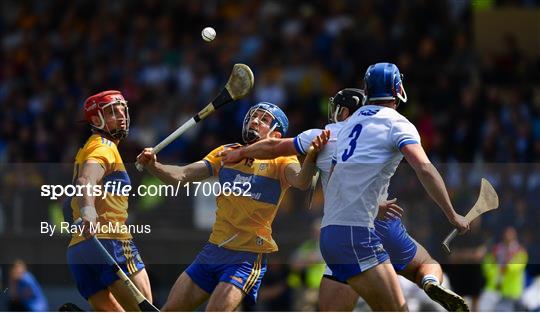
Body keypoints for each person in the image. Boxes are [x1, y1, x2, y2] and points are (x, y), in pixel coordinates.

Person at [220, 87, 470, 311]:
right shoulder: (386, 128)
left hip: (346, 232)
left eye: (338, 109)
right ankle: (429, 281)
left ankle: (425, 280)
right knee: (423, 265)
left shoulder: (327, 134)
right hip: (373, 225)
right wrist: (451, 214)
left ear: (347, 111)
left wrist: (241, 152)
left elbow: (274, 149)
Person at [136, 102, 327, 311]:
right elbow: (181, 176)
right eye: (254, 116)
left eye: (264, 119)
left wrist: (311, 156)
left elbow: (301, 181)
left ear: (277, 135)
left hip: (246, 257)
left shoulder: (282, 159)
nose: (256, 120)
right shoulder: (226, 153)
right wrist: (153, 165)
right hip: (212, 251)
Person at [64, 90, 152, 311]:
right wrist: (89, 212)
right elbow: (86, 181)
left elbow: (69, 202)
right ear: (96, 120)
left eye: (123, 109)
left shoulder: (87, 149)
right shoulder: (104, 147)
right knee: (144, 309)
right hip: (110, 242)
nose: (121, 115)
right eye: (113, 111)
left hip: (78, 250)